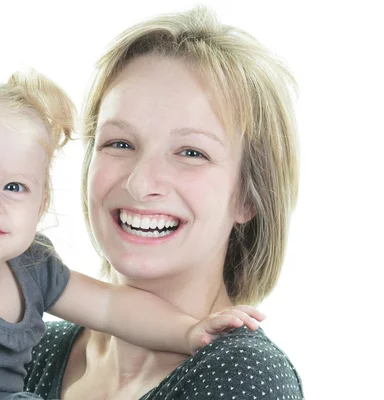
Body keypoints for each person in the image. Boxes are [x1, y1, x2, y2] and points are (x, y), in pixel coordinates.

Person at [0, 61, 263, 400]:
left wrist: (187, 333)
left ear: (41, 205)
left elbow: (110, 307)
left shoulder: (30, 265)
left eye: (14, 187)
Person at [22, 5, 304, 400]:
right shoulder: (27, 346)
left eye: (191, 152)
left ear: (248, 197)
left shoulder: (244, 375)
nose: (140, 184)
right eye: (119, 143)